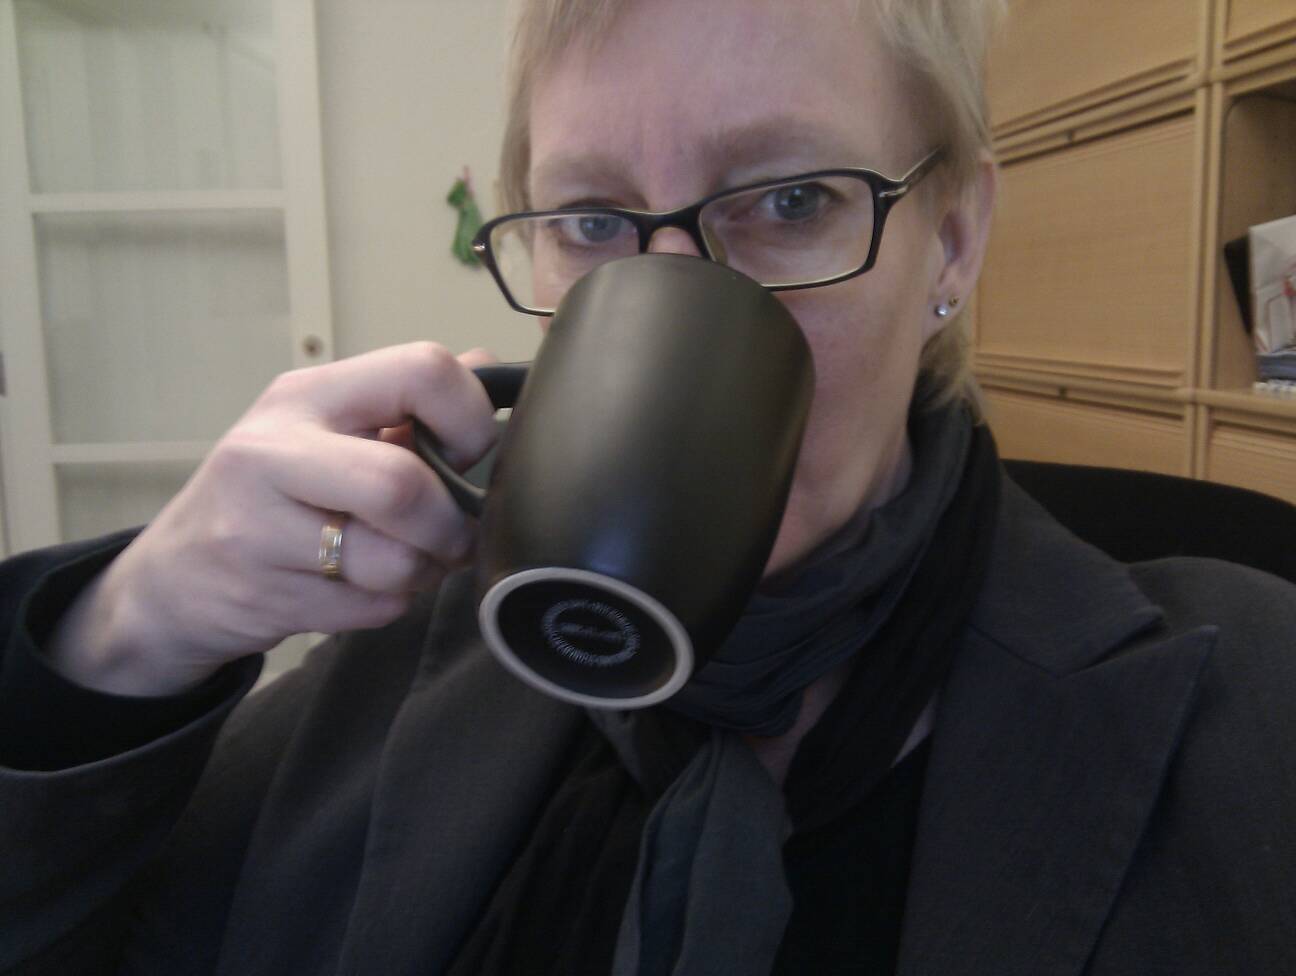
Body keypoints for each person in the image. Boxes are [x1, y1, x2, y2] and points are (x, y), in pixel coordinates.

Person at [2, 0, 1294, 973]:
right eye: (592, 222)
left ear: (950, 241)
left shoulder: (1254, 713)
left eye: (791, 198)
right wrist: (132, 632)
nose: (680, 295)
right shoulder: (395, 664)